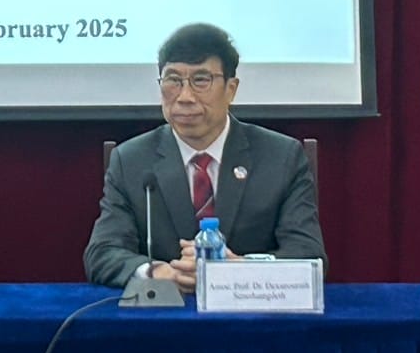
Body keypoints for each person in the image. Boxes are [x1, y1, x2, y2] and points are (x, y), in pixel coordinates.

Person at [84, 22, 326, 290]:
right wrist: (160, 272)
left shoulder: (281, 157)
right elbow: (103, 252)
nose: (185, 97)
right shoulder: (131, 160)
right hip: (165, 310)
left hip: (251, 309)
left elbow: (308, 254)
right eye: (173, 80)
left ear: (231, 89)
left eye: (201, 80)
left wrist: (242, 269)